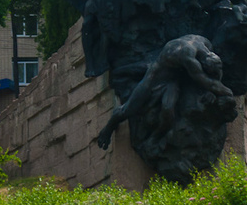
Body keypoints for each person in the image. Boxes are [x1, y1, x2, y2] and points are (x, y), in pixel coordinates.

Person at [96, 34, 235, 149]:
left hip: (175, 78)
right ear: (202, 64)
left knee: (168, 111)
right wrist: (227, 93)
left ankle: (155, 139)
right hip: (155, 78)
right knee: (129, 109)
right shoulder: (188, 56)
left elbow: (214, 76)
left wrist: (211, 90)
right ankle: (109, 127)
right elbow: (209, 82)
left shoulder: (205, 43)